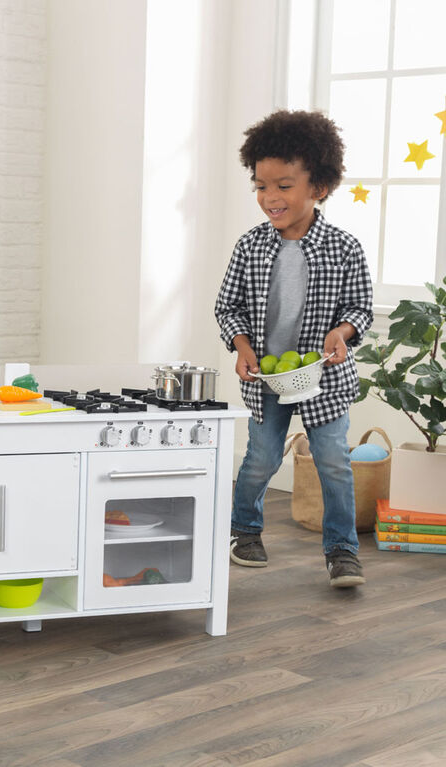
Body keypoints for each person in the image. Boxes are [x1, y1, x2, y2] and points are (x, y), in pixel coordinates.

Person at [214, 109, 373, 588]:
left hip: (324, 379)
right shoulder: (249, 247)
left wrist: (341, 333)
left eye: (283, 185)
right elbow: (228, 308)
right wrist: (242, 347)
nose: (270, 198)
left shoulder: (344, 248)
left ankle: (343, 551)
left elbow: (360, 308)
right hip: (267, 379)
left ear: (318, 187)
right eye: (261, 186)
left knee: (333, 462)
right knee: (262, 458)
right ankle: (244, 530)